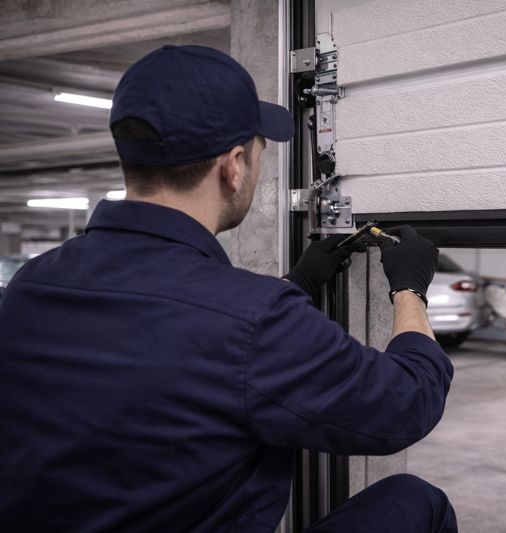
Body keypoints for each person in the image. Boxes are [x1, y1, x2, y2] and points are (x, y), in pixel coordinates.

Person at [0, 45, 457, 532]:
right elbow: (404, 403)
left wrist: (298, 283)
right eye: (260, 151)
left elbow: (171, 338)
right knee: (416, 502)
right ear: (233, 166)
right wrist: (409, 289)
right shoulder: (251, 320)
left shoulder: (32, 285)